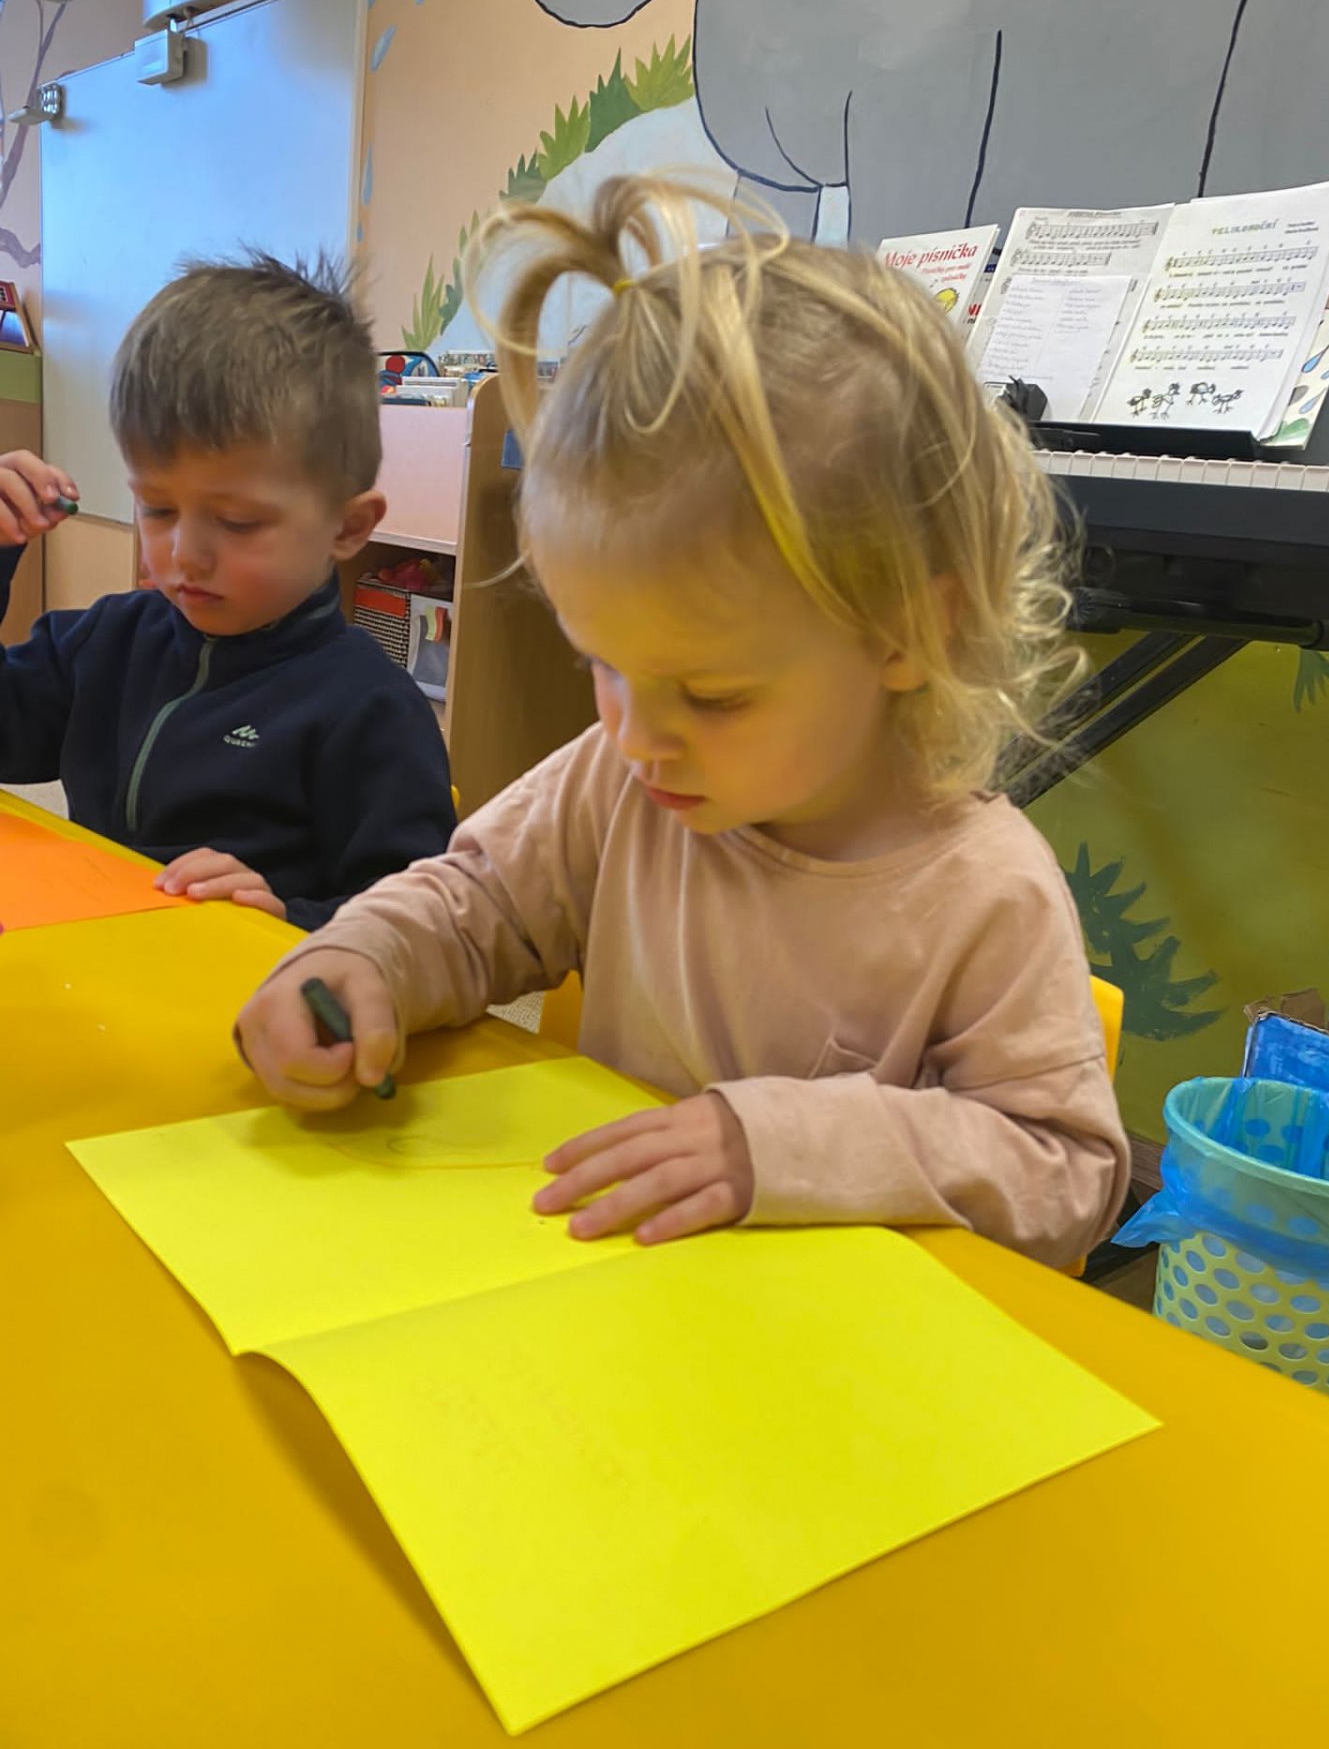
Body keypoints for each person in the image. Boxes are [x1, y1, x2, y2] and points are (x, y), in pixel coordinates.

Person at [235, 178, 1126, 1261]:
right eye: (601, 666)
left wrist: (782, 1147)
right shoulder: (617, 780)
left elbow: (1065, 1173)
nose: (637, 734)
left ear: (908, 634)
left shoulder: (986, 894)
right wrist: (363, 959)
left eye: (712, 695)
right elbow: (476, 906)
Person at [0, 255, 454, 930]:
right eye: (157, 509)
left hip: (252, 984)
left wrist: (286, 918)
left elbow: (422, 921)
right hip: (99, 961)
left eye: (238, 522)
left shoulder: (370, 710)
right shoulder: (105, 641)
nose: (184, 553)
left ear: (347, 527)